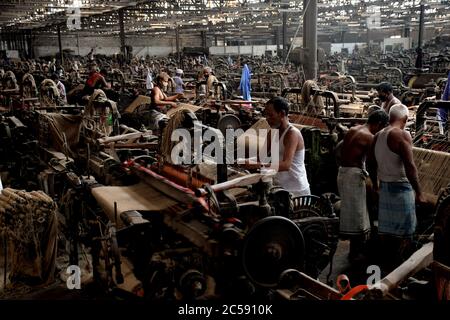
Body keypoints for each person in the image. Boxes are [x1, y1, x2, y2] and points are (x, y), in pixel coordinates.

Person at [372, 104, 426, 269]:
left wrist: (375, 185)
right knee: (406, 232)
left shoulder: (377, 136)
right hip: (401, 189)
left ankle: (386, 264)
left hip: (385, 188)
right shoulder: (402, 135)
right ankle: (402, 268)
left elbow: (371, 162)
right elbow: (410, 166)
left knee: (387, 231)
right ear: (405, 119)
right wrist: (420, 193)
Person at [337, 110, 389, 261]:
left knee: (352, 212)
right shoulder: (370, 138)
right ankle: (355, 254)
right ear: (379, 124)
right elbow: (372, 164)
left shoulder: (354, 129)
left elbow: (338, 150)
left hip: (342, 173)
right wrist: (375, 185)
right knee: (358, 215)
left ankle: (355, 251)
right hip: (353, 176)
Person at [244, 97, 310, 197]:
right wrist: (242, 161)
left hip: (296, 190)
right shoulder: (273, 133)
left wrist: (257, 165)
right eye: (266, 115)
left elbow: (285, 165)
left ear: (282, 114)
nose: (267, 119)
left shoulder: (292, 134)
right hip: (279, 188)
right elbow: (260, 158)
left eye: (270, 115)